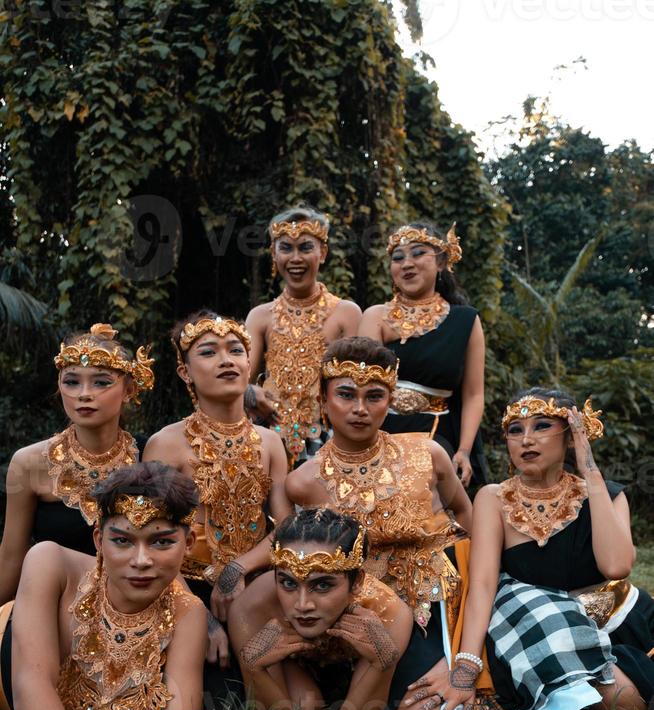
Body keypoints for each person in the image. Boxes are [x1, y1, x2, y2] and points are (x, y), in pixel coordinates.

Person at [402, 387, 654, 710]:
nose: (526, 439)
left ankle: (574, 706)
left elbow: (616, 565)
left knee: (627, 706)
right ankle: (567, 709)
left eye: (542, 426)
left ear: (570, 435)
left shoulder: (607, 494)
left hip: (613, 622)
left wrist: (589, 468)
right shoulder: (493, 498)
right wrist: (467, 665)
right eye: (515, 429)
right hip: (533, 630)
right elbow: (483, 585)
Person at [0, 461, 207, 710]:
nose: (141, 560)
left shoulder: (188, 612)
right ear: (99, 539)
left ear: (189, 543)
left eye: (161, 542)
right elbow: (30, 684)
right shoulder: (50, 564)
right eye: (123, 541)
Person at [285, 337, 472, 710]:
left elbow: (466, 519)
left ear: (390, 401)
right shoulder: (303, 481)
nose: (360, 409)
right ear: (323, 401)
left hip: (430, 603)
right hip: (353, 609)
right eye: (346, 394)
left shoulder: (428, 454)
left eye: (374, 396)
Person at [143, 312, 291, 625]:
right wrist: (199, 620)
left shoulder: (270, 443)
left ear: (249, 366)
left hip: (257, 586)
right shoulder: (166, 444)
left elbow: (286, 529)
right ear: (185, 372)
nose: (226, 360)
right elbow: (153, 540)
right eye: (209, 352)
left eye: (236, 351)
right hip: (186, 590)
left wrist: (238, 569)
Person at [0, 323, 154, 604]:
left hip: (135, 607)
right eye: (72, 381)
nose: (84, 393)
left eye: (101, 382)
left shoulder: (152, 454)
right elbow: (11, 560)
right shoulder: (28, 463)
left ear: (129, 389)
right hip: (54, 606)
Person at [228, 509, 413, 710]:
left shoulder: (389, 612)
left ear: (357, 583)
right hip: (293, 667)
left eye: (322, 585)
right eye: (288, 583)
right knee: (306, 708)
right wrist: (252, 667)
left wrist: (384, 662)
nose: (303, 605)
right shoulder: (253, 607)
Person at [358, 221, 487, 488]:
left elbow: (474, 394)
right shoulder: (376, 317)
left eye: (418, 253)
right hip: (379, 430)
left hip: (439, 431)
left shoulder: (465, 320)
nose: (407, 264)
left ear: (441, 262)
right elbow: (363, 383)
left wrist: (464, 450)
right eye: (398, 257)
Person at [246, 206, 361, 465]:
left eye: (305, 248)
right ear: (274, 255)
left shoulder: (346, 314)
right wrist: (251, 393)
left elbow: (356, 386)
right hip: (267, 438)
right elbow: (241, 381)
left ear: (323, 253)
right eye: (286, 248)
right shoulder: (260, 317)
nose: (295, 258)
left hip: (327, 441)